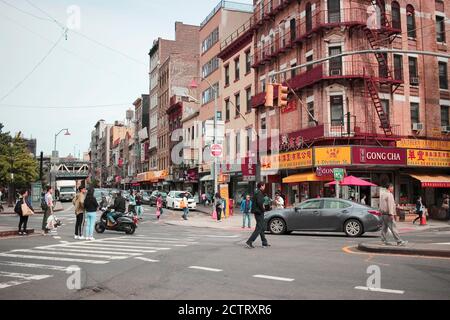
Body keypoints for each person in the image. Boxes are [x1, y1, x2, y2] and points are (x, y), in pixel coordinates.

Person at [246, 182, 270, 249]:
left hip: (257, 212)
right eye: (264, 186)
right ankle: (249, 241)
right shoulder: (259, 193)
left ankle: (264, 242)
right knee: (259, 228)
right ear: (261, 186)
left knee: (261, 227)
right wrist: (263, 209)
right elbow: (260, 203)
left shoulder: (257, 192)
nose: (264, 187)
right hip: (259, 212)